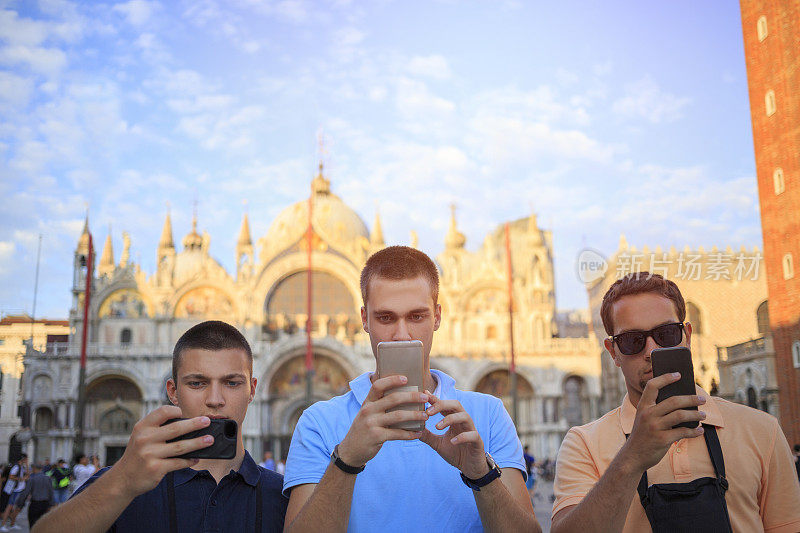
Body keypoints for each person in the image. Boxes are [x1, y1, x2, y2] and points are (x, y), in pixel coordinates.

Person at [283, 246, 540, 532]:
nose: (401, 334)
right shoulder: (318, 422)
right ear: (364, 319)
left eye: (416, 316)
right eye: (386, 318)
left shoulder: (489, 415)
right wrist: (346, 461)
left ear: (438, 317)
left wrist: (481, 475)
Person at [551, 272, 800, 533]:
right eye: (632, 341)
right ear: (613, 352)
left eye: (666, 333)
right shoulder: (583, 444)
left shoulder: (762, 430)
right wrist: (632, 457)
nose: (651, 351)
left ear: (687, 336)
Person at [32, 320, 288, 532]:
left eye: (231, 383)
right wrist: (122, 481)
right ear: (173, 392)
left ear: (252, 390)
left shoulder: (284, 495)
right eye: (197, 383)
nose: (215, 400)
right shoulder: (124, 484)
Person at [14, 464, 54, 528]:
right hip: (45, 504)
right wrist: (51, 504)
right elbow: (51, 492)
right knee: (43, 525)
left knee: (33, 524)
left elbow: (26, 492)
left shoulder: (32, 479)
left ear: (35, 469)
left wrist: (20, 504)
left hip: (35, 504)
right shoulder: (48, 478)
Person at [0, 454, 29, 531]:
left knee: (12, 507)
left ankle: (12, 523)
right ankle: (3, 525)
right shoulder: (16, 467)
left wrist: (26, 465)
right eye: (26, 459)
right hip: (15, 490)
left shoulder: (21, 467)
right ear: (23, 459)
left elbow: (28, 474)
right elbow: (11, 476)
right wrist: (21, 479)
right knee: (9, 507)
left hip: (18, 490)